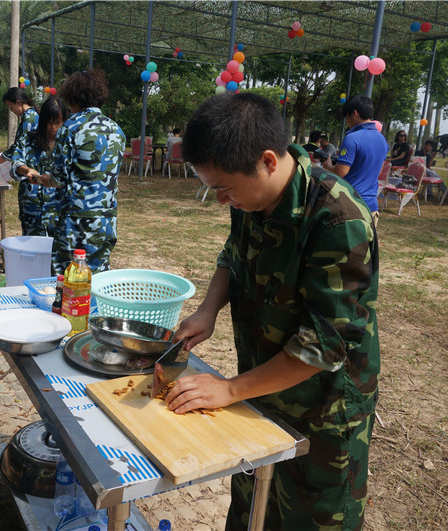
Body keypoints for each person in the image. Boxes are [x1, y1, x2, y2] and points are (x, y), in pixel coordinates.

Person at [169, 92, 379, 530]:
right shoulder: (252, 197)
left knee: (310, 519)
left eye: (225, 188)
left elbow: (322, 345)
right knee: (253, 512)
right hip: (261, 386)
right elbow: (233, 254)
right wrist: (208, 310)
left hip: (322, 412)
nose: (222, 201)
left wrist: (229, 389)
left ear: (267, 161)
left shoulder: (338, 219)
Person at [47, 70, 125, 273]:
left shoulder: (70, 128)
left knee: (68, 276)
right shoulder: (117, 130)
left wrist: (42, 178)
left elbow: (58, 179)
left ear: (73, 97)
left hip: (76, 221)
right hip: (107, 219)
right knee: (98, 276)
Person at [322, 95, 388, 226]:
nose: (347, 121)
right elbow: (378, 171)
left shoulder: (352, 138)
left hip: (351, 207)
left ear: (354, 114)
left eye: (346, 117)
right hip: (371, 207)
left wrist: (328, 165)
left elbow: (340, 172)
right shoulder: (382, 139)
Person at [11, 96, 67, 246]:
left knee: (58, 248)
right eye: (49, 122)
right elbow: (16, 163)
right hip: (32, 206)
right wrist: (27, 170)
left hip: (58, 207)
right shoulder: (29, 139)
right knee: (31, 247)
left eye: (57, 122)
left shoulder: (68, 143)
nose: (53, 127)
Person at [0, 87, 39, 172]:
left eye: (10, 107)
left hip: (32, 167)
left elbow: (18, 146)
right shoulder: (30, 115)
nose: (11, 110)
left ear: (18, 102)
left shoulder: (29, 119)